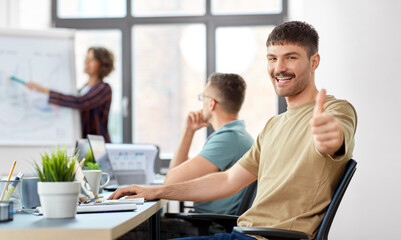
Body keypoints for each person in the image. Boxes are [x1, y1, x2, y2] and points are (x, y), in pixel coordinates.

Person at [109, 21, 357, 240]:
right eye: (272, 58)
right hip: (242, 234)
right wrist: (156, 191)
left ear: (314, 62)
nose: (279, 67)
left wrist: (330, 139)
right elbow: (228, 180)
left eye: (291, 57)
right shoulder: (273, 126)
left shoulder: (336, 111)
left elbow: (335, 137)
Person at [119, 73, 254, 239]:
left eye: (203, 97)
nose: (201, 102)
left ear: (211, 103)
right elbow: (175, 173)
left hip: (205, 227)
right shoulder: (236, 135)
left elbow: (172, 181)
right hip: (204, 223)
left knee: (122, 230)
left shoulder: (228, 138)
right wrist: (188, 131)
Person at [26, 47, 114, 143]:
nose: (86, 61)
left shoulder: (104, 88)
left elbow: (81, 102)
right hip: (82, 142)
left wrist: (44, 90)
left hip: (97, 144)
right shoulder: (82, 89)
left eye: (92, 59)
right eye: (86, 58)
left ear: (102, 64)